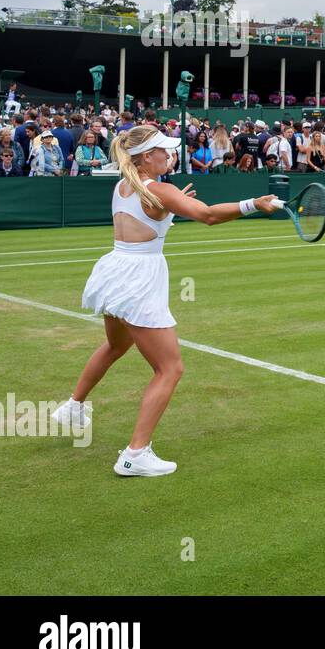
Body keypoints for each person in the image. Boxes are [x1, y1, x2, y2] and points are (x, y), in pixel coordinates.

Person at [52, 125, 281, 476]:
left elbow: (145, 221)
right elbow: (206, 215)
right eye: (163, 151)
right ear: (146, 157)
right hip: (139, 278)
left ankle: (73, 406)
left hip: (115, 270)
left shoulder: (124, 184)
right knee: (170, 369)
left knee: (115, 347)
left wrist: (171, 206)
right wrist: (253, 204)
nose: (169, 155)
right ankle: (135, 454)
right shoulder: (160, 189)